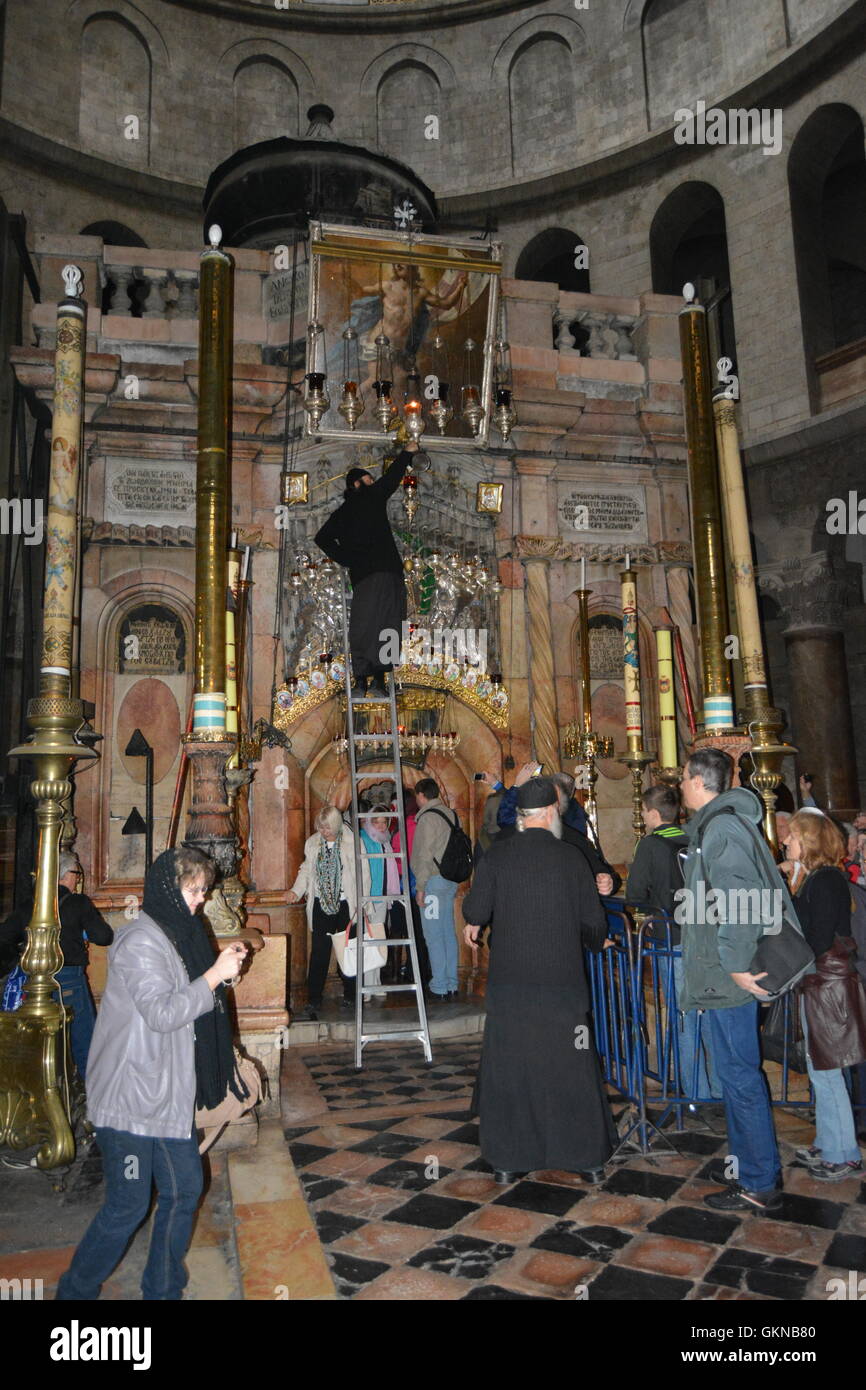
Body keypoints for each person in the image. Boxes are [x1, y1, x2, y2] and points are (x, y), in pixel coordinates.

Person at [55, 847, 249, 1301]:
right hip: (132, 1095)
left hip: (165, 1091)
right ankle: (74, 1292)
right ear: (168, 889)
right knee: (127, 1206)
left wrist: (222, 972)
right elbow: (162, 1012)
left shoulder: (179, 932)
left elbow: (188, 990)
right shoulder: (141, 941)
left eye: (204, 890)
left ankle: (162, 1288)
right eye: (193, 890)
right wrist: (214, 977)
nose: (200, 900)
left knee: (184, 1191)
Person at [462, 777, 615, 1183]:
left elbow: (475, 908)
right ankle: (585, 1158)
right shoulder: (571, 859)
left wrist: (475, 924)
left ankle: (511, 1160)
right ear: (550, 813)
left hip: (511, 988)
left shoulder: (497, 856)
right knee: (570, 1064)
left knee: (513, 1066)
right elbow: (593, 925)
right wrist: (596, 939)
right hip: (562, 987)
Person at [679, 747, 786, 1213]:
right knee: (736, 1077)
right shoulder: (716, 826)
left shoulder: (720, 828)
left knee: (740, 1080)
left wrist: (737, 965)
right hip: (721, 976)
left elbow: (742, 898)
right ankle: (749, 1171)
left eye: (684, 777)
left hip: (728, 979)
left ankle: (760, 1180)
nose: (681, 784)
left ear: (700, 783)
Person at [626, 785, 721, 1105]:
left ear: (652, 813)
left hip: (672, 939)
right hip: (707, 941)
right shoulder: (695, 838)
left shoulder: (650, 845)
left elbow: (635, 893)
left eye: (644, 811)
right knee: (708, 1014)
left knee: (684, 1016)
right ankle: (719, 1087)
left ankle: (695, 1093)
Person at [786, 811, 866, 1180]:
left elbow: (816, 939)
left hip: (828, 983)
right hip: (821, 982)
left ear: (809, 840)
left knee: (828, 1071)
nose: (786, 841)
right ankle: (828, 1139)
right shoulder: (815, 877)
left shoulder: (826, 879)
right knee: (821, 1069)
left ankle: (844, 1153)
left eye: (793, 836)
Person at [314, 441, 419, 700]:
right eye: (369, 479)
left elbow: (322, 538)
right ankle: (380, 682)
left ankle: (361, 680)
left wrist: (347, 558)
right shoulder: (371, 497)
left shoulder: (341, 513)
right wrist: (408, 452)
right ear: (358, 484)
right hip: (386, 571)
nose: (373, 482)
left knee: (363, 626)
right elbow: (393, 477)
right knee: (388, 624)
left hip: (362, 576)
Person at [0, 850, 114, 1079]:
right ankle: (90, 1096)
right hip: (69, 980)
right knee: (85, 1043)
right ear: (63, 875)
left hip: (31, 981)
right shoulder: (78, 903)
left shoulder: (30, 905)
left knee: (40, 1042)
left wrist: (19, 961)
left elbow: (4, 936)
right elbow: (104, 937)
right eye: (76, 873)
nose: (77, 879)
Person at [289, 805, 381, 1019]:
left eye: (328, 828)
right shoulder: (313, 844)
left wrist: (362, 901)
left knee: (348, 952)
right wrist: (296, 890)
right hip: (322, 905)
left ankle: (351, 995)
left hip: (346, 905)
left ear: (337, 825)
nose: (324, 832)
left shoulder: (352, 843)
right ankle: (314, 999)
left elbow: (363, 873)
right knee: (319, 953)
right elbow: (306, 869)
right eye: (320, 828)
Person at [496, 763, 621, 897]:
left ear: (559, 806)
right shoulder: (509, 838)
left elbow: (599, 870)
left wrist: (609, 881)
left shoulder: (572, 838)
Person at [411, 777, 460, 1001]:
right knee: (448, 932)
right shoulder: (450, 814)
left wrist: (420, 887)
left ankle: (439, 984)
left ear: (421, 795)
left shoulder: (427, 819)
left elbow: (423, 855)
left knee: (433, 935)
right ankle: (451, 982)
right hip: (450, 880)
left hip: (432, 882)